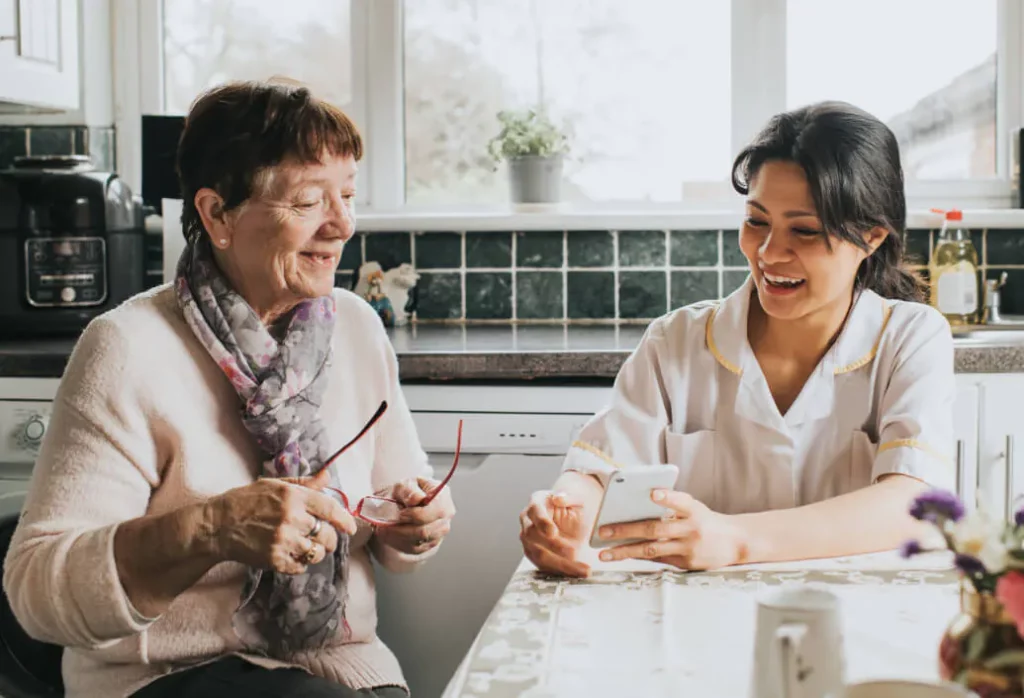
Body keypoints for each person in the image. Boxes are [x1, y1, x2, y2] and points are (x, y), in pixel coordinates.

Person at [2, 80, 455, 698]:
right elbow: (37, 598)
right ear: (218, 214)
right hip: (162, 676)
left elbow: (398, 524)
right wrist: (212, 528)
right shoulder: (126, 348)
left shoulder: (354, 327)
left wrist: (415, 522)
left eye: (347, 196)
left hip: (341, 670)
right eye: (308, 202)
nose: (342, 225)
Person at [520, 101, 951, 577]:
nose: (768, 252)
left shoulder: (910, 337)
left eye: (804, 231)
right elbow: (599, 469)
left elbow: (913, 501)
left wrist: (735, 540)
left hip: (851, 617)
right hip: (696, 620)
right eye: (757, 221)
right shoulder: (675, 342)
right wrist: (565, 515)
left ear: (871, 237)